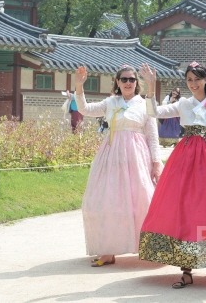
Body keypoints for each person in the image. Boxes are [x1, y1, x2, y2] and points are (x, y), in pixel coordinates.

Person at [138, 62, 206, 287]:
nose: (193, 84)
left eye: (197, 79)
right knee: (184, 207)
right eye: (189, 80)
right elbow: (154, 112)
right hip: (185, 159)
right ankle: (186, 268)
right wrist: (151, 86)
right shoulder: (183, 103)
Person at [74, 65, 162, 267]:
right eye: (124, 79)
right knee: (106, 201)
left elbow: (152, 135)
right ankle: (108, 250)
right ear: (117, 82)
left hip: (137, 157)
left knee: (143, 200)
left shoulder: (144, 103)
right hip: (112, 156)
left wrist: (156, 162)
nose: (128, 82)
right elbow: (85, 109)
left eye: (132, 79)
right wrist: (79, 87)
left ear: (136, 82)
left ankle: (149, 246)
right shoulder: (111, 102)